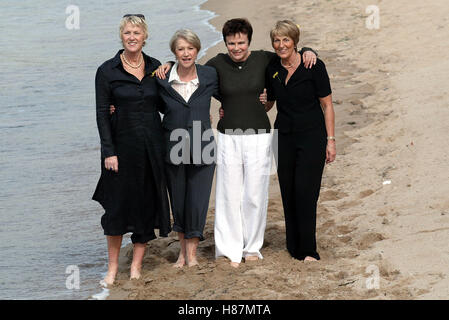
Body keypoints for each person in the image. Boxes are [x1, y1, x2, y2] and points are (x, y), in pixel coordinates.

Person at [156, 18, 317, 268]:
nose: (236, 48)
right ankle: (229, 249)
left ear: (248, 42)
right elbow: (188, 69)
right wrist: (167, 64)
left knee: (255, 194)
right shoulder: (216, 66)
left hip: (260, 136)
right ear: (225, 43)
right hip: (227, 137)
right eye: (231, 43)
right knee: (228, 195)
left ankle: (251, 247)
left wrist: (309, 50)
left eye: (241, 42)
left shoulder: (264, 59)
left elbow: (288, 53)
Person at [92, 14, 171, 286]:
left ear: (145, 36)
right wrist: (108, 152)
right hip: (121, 150)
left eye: (137, 32)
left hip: (152, 148)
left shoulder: (156, 66)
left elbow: (165, 105)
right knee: (115, 209)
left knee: (144, 208)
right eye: (127, 32)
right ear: (121, 36)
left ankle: (136, 266)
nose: (132, 37)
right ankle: (113, 269)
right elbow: (102, 113)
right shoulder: (107, 71)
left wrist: (169, 69)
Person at [265, 20, 336, 261]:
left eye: (286, 39)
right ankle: (293, 245)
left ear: (295, 41)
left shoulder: (313, 65)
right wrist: (261, 101)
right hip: (283, 137)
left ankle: (308, 250)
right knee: (288, 190)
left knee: (306, 192)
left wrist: (331, 140)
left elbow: (327, 105)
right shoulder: (272, 66)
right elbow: (269, 104)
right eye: (277, 40)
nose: (281, 44)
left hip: (312, 137)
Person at [155, 29, 219, 268]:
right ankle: (182, 254)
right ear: (174, 52)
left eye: (190, 48)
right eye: (180, 49)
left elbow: (232, 89)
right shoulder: (161, 78)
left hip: (202, 146)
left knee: (198, 201)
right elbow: (144, 101)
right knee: (179, 201)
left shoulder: (210, 75)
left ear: (197, 50)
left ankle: (191, 255)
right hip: (173, 147)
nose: (186, 53)